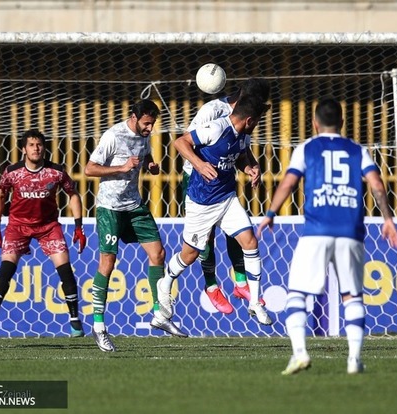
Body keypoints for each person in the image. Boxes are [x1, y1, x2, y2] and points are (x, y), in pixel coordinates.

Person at [257, 97, 397, 375]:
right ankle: (354, 360)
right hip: (350, 231)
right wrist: (388, 219)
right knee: (352, 296)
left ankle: (300, 353)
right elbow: (376, 184)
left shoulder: (307, 148)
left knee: (297, 293)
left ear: (314, 123)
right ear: (343, 122)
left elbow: (288, 182)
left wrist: (270, 213)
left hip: (315, 232)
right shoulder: (358, 150)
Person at [158, 94, 272, 328]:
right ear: (249, 119)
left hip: (227, 198)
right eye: (258, 120)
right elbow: (181, 142)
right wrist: (199, 165)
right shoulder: (216, 127)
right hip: (202, 202)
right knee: (189, 255)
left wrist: (249, 168)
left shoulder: (242, 135)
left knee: (250, 242)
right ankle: (166, 281)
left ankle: (255, 303)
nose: (258, 124)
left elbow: (238, 156)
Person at [85, 99, 187, 352]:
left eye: (152, 124)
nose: (150, 128)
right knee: (107, 263)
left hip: (134, 205)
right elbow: (89, 169)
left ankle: (160, 315)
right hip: (110, 208)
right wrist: (121, 167)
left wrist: (151, 164)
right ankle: (99, 327)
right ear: (133, 117)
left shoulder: (144, 136)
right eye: (146, 123)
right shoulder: (113, 135)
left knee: (158, 253)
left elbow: (144, 155)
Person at [0, 129, 87, 338]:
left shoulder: (56, 172)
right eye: (31, 145)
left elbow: (73, 195)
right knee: (7, 268)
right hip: (17, 227)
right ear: (24, 149)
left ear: (44, 148)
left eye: (39, 144)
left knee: (65, 268)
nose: (36, 148)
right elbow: (0, 196)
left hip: (48, 227)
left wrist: (78, 227)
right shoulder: (12, 172)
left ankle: (75, 321)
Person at [183, 78, 270, 314]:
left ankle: (240, 283)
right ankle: (211, 286)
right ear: (243, 96)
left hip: (224, 179)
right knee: (206, 237)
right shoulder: (212, 111)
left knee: (238, 229)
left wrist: (252, 165)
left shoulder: (247, 116)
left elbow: (241, 148)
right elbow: (186, 141)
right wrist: (200, 166)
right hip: (196, 177)